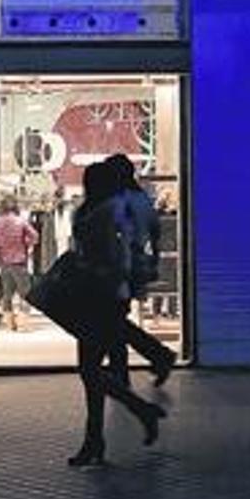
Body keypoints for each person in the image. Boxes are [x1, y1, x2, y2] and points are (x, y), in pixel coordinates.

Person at [66, 162, 167, 467]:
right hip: (97, 295)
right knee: (90, 370)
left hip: (102, 295)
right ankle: (105, 432)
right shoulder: (99, 210)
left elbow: (116, 255)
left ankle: (100, 436)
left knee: (89, 369)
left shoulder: (103, 212)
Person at [105, 154, 178, 387]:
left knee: (114, 322)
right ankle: (151, 359)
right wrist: (153, 262)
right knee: (115, 321)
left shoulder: (121, 200)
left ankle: (152, 359)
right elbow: (155, 234)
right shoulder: (141, 199)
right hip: (133, 266)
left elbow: (120, 234)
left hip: (120, 268)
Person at [0, 196, 39, 332]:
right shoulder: (21, 221)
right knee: (26, 293)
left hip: (4, 262)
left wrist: (1, 247)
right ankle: (22, 324)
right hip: (20, 261)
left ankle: (9, 325)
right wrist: (25, 244)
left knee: (7, 294)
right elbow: (35, 236)